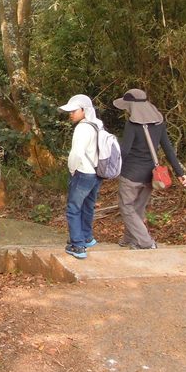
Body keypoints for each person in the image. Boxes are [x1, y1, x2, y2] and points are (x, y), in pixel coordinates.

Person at [113, 88, 186, 249]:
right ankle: (130, 238)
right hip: (150, 175)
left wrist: (112, 168)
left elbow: (124, 151)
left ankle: (145, 242)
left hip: (131, 174)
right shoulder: (158, 124)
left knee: (126, 207)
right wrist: (179, 173)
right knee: (138, 207)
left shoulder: (132, 125)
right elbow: (168, 150)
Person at [58, 94, 103, 259]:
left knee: (73, 209)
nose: (70, 114)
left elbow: (76, 153)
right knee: (88, 206)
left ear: (84, 110)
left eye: (74, 111)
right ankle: (87, 237)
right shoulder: (98, 125)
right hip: (96, 173)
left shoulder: (82, 128)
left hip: (83, 173)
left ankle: (78, 246)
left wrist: (71, 170)